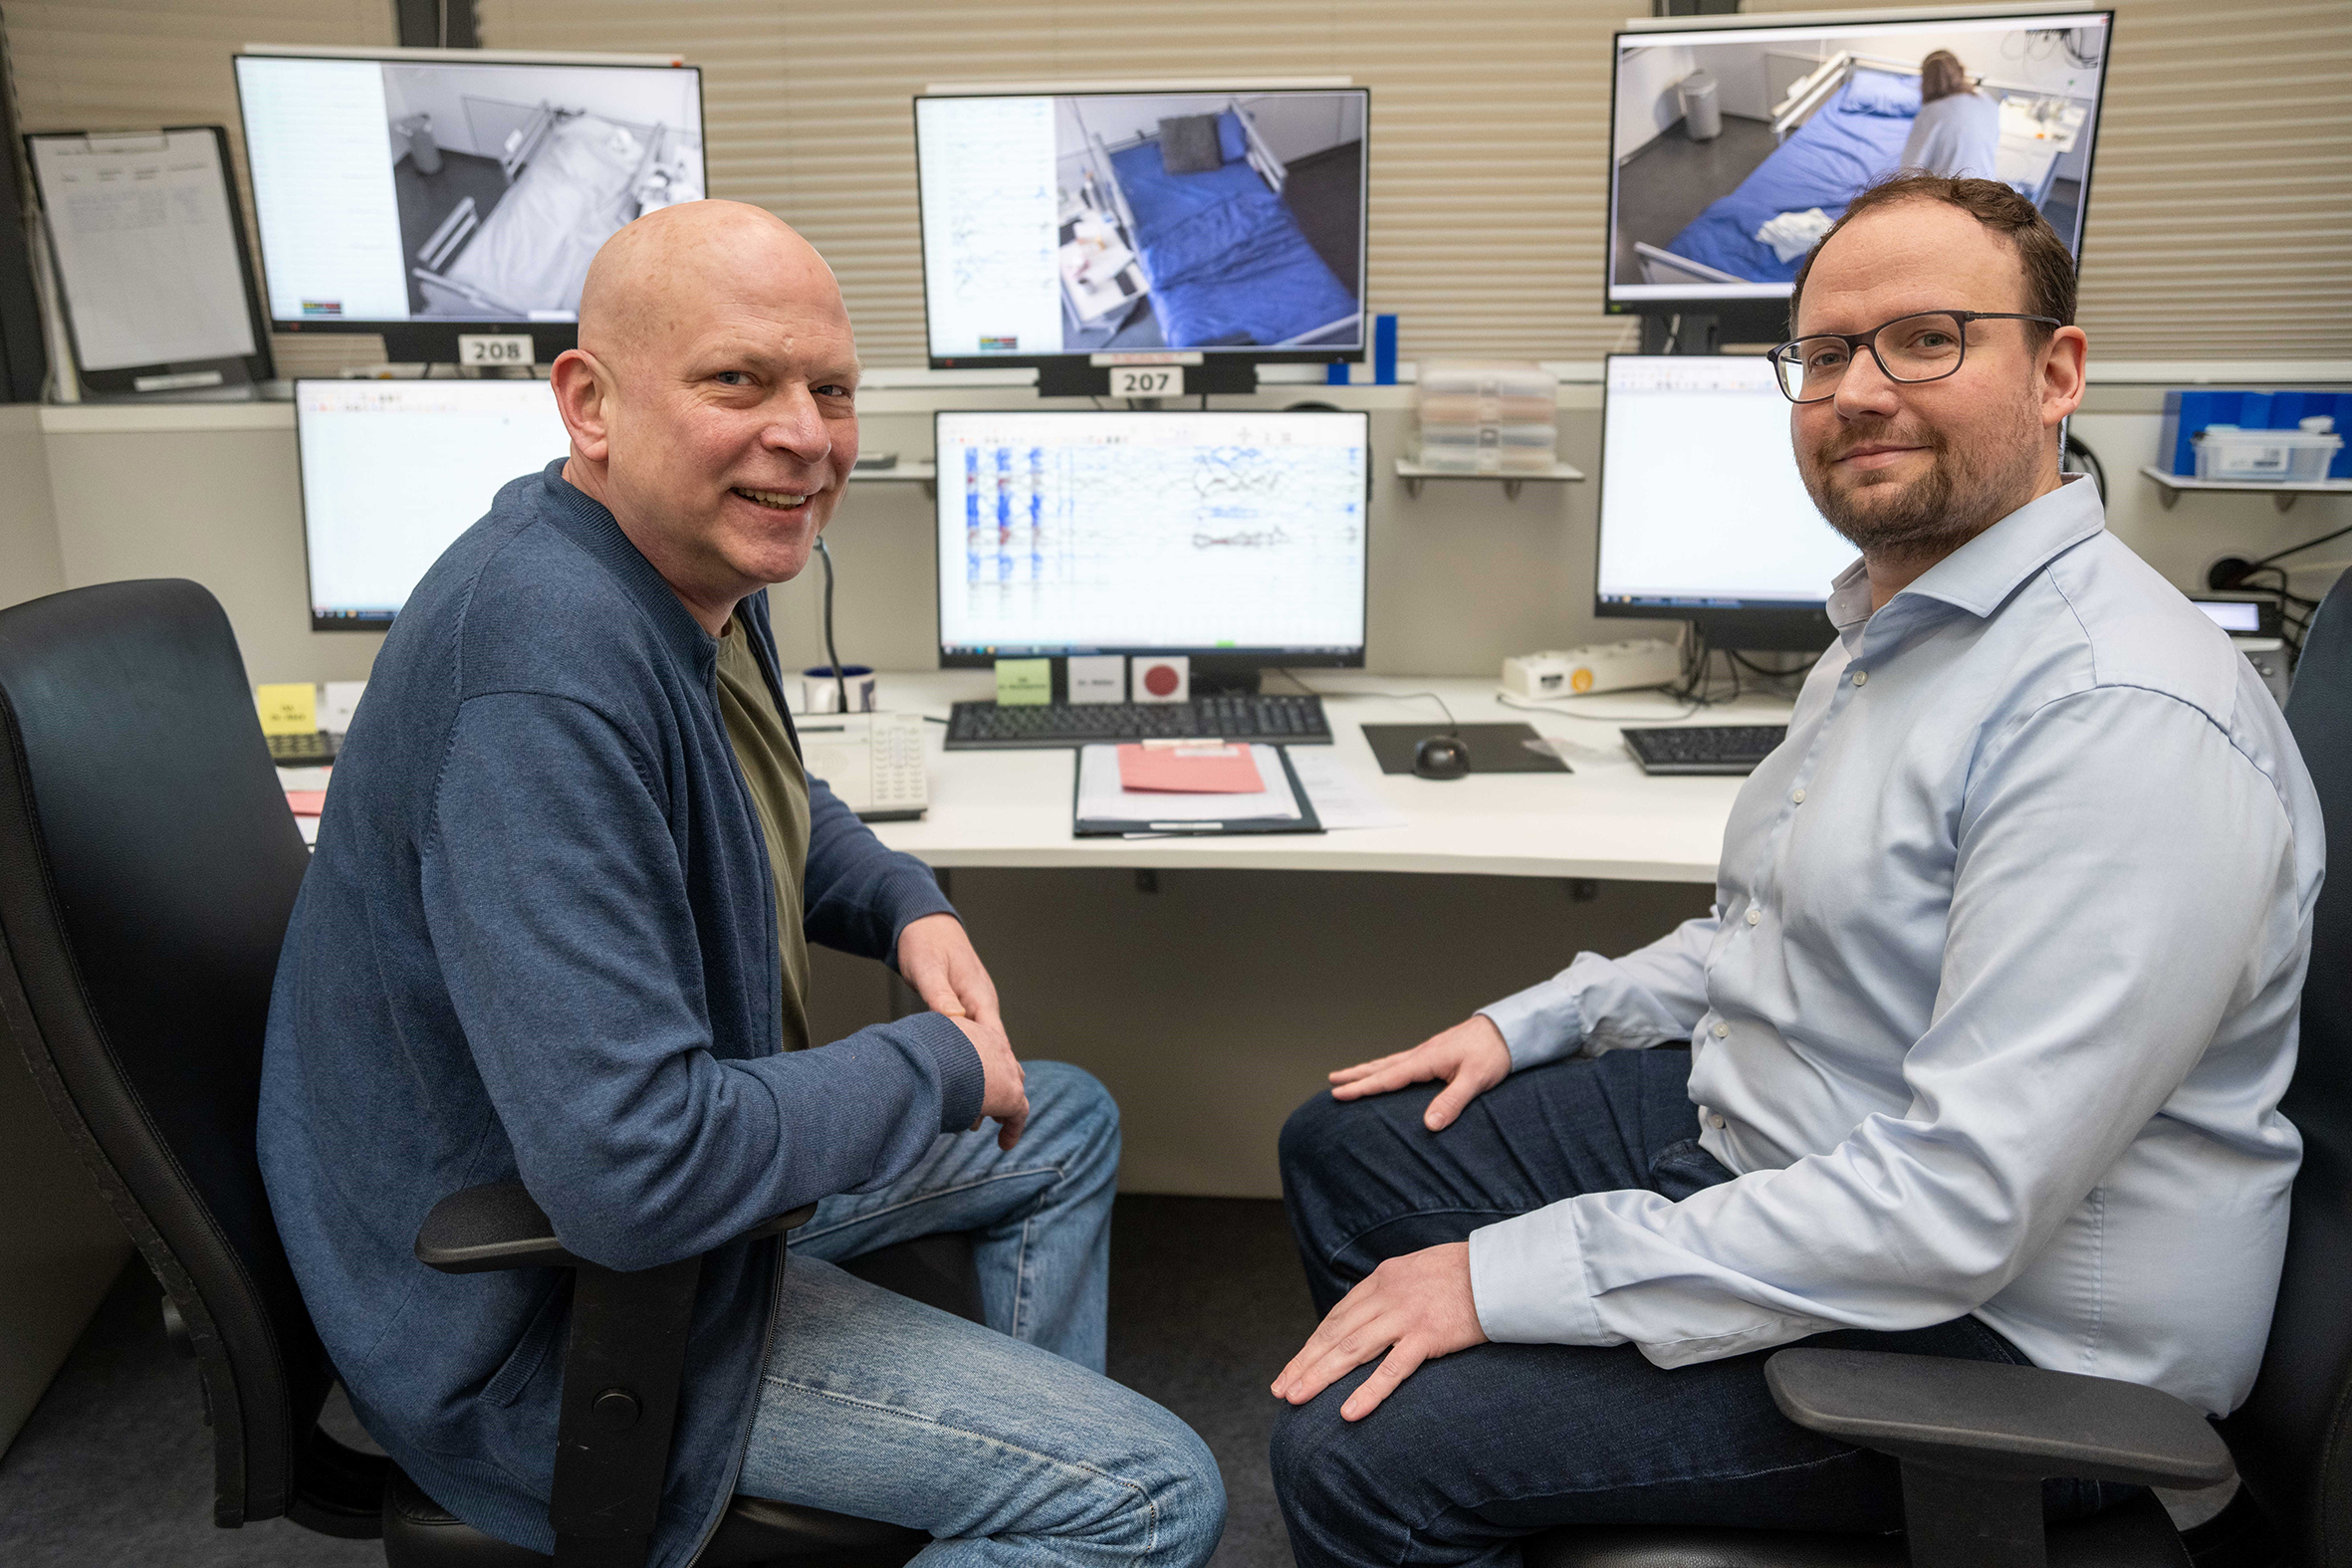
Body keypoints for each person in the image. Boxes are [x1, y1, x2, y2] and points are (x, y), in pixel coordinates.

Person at [1268, 172, 2322, 1567]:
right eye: (1823, 354)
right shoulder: (1905, 620)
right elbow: (1771, 927)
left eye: (1927, 339)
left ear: (2057, 373)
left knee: (1356, 1454)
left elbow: (1954, 1204)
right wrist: (1524, 1023)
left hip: (2011, 1333)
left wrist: (1504, 1280)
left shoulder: (2113, 713)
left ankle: (1459, 1465)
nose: (1858, 391)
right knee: (1346, 1146)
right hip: (1809, 1132)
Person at [258, 200, 1223, 1568]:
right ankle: (1054, 1506)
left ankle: (995, 1495)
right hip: (548, 1317)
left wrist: (901, 899)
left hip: (657, 1194)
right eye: (738, 380)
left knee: (1062, 1121)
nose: (805, 436)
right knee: (1149, 1496)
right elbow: (633, 1170)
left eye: (830, 390)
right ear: (589, 403)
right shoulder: (539, 673)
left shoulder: (689, 563)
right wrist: (934, 1062)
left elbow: (758, 791)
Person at [1901, 50, 2001, 182]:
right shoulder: (1990, 104)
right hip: (1985, 188)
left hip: (1950, 190)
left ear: (1925, 80)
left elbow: (1909, 170)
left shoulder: (1931, 112)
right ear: (1961, 72)